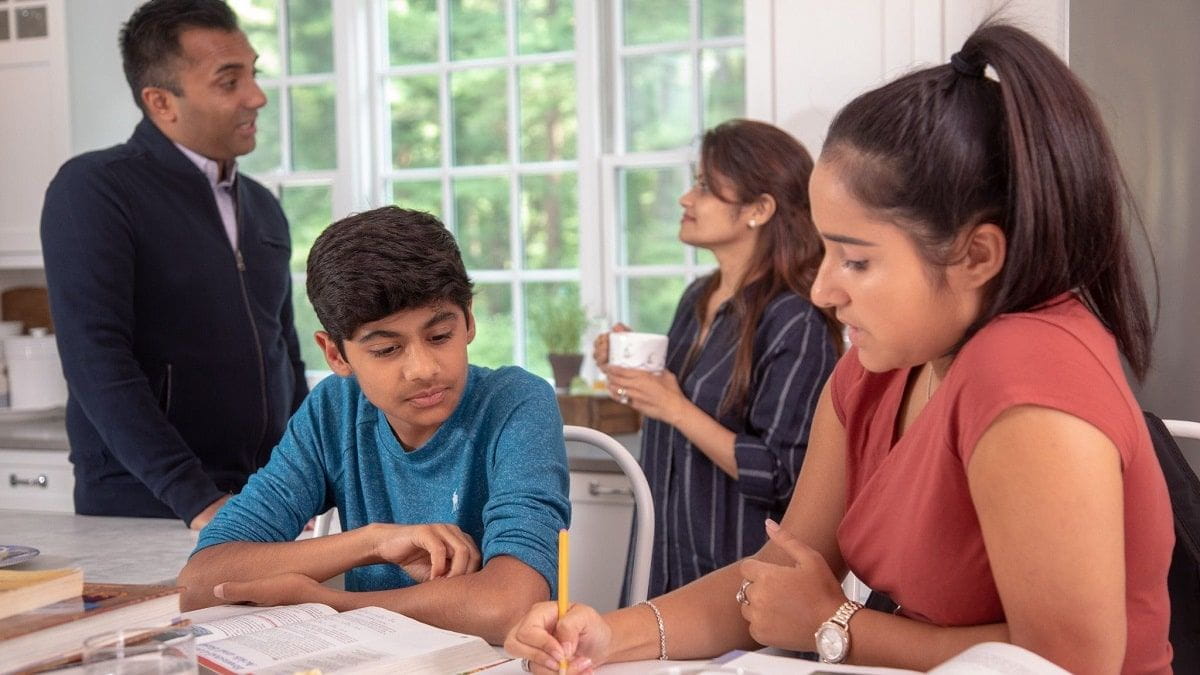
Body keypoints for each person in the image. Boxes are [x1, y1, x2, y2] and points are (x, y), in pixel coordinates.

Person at [506, 22, 1173, 674]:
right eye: (826, 249)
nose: (824, 289)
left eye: (855, 260)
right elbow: (773, 585)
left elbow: (1067, 662)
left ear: (976, 255)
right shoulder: (875, 369)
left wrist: (837, 624)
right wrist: (606, 633)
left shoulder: (1028, 371)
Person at [176, 206, 571, 644]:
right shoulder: (334, 409)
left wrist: (334, 604)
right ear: (336, 355)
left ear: (469, 320)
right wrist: (374, 542)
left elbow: (508, 606)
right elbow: (200, 581)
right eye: (386, 349)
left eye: (440, 336)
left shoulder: (517, 403)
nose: (423, 369)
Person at [39, 0, 307, 528]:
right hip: (147, 506)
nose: (257, 96)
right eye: (229, 82)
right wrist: (197, 500)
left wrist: (299, 480)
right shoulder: (95, 190)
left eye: (253, 73)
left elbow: (285, 355)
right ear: (161, 102)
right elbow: (96, 360)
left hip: (259, 503)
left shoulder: (263, 207)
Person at [594, 119, 840, 597]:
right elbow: (674, 416)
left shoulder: (796, 320)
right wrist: (631, 373)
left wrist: (675, 408)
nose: (686, 199)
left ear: (759, 209)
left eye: (705, 187)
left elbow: (783, 477)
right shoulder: (697, 298)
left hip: (740, 583)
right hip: (661, 561)